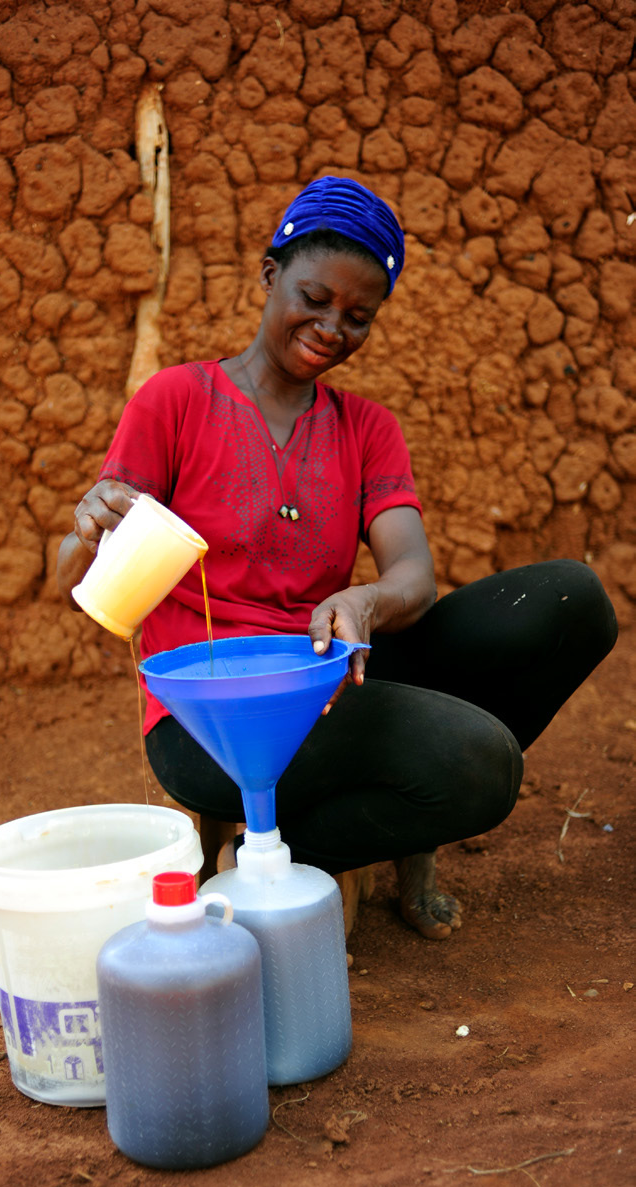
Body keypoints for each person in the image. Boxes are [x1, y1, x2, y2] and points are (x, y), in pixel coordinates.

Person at [58, 176, 618, 940]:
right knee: (479, 763)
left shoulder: (366, 429)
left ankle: (396, 823)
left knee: (569, 602)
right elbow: (77, 583)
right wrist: (87, 528)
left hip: (335, 670)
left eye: (358, 317)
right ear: (268, 275)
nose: (332, 327)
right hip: (217, 718)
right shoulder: (176, 401)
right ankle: (282, 857)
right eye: (314, 298)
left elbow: (412, 578)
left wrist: (363, 602)